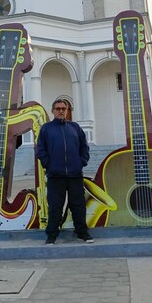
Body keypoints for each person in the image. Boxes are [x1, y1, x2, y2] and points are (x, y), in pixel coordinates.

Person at [37, 99, 94, 244]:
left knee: (78, 206)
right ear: (53, 111)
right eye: (58, 108)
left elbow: (84, 146)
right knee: (55, 207)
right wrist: (48, 165)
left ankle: (82, 232)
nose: (61, 111)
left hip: (75, 175)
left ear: (67, 110)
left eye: (64, 108)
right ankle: (51, 236)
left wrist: (81, 162)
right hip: (55, 176)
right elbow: (41, 149)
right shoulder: (46, 129)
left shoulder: (75, 127)